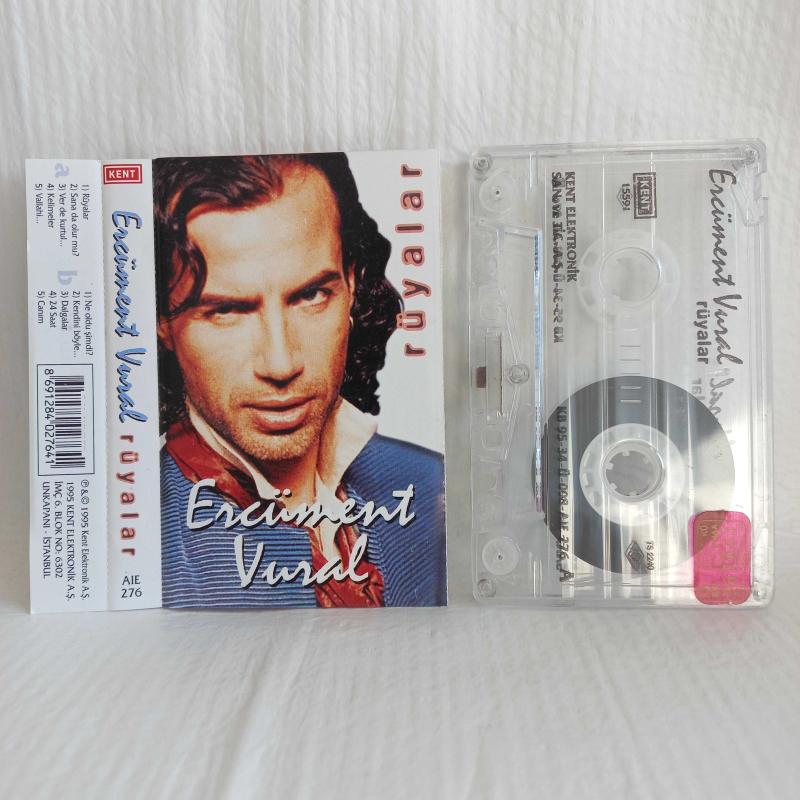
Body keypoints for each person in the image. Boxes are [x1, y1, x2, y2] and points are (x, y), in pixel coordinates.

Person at [153, 153, 446, 608]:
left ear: (351, 283)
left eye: (311, 295)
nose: (281, 363)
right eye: (227, 310)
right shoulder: (150, 553)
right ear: (162, 322)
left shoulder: (431, 485)